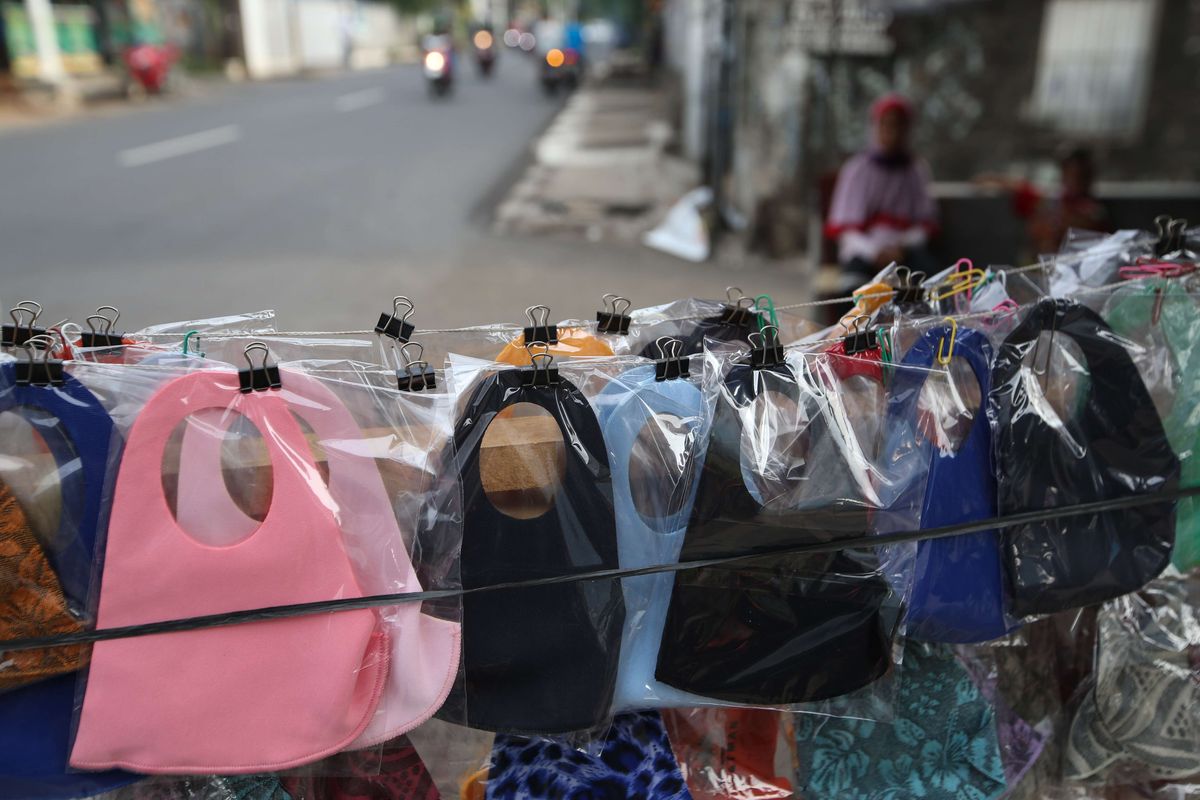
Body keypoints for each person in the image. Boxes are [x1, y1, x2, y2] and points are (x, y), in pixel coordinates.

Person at [826, 94, 940, 282]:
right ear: (875, 126)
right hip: (863, 250)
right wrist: (874, 252)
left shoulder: (916, 170)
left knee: (931, 281)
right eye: (886, 125)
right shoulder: (857, 169)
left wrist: (901, 247)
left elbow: (925, 225)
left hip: (904, 251)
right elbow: (847, 231)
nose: (892, 132)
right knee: (852, 285)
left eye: (899, 126)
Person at [1004, 146, 1110, 255]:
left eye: (1083, 176)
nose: (1076, 180)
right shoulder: (1048, 202)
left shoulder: (1095, 212)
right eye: (1072, 174)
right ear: (1064, 173)